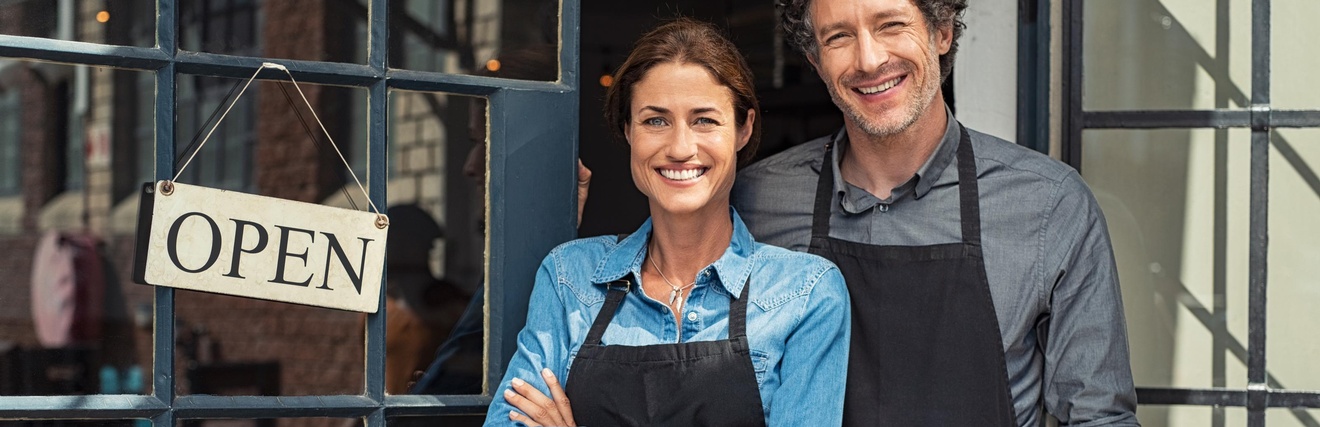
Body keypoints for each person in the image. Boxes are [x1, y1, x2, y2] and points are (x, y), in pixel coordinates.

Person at [728, 0, 1140, 425]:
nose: (869, 60)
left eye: (891, 25)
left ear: (942, 32)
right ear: (815, 60)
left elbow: (1099, 418)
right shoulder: (755, 202)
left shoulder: (1048, 205)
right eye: (839, 37)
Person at [484, 17, 851, 426]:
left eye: (704, 120)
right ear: (628, 130)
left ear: (744, 129)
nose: (679, 147)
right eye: (655, 120)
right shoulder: (570, 277)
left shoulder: (804, 293)